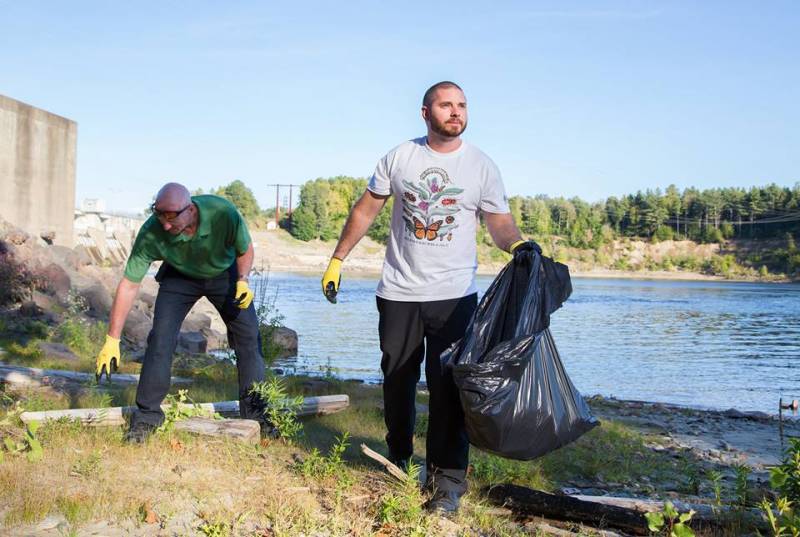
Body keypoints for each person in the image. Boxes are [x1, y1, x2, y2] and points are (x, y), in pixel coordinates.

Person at [321, 81, 535, 513]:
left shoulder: (481, 166)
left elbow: (499, 223)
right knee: (397, 380)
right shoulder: (400, 157)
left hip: (455, 297)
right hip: (398, 292)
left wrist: (518, 246)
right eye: (445, 105)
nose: (455, 112)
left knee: (448, 390)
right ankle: (399, 452)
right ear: (425, 113)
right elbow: (366, 209)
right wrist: (338, 258)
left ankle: (447, 481)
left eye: (461, 105)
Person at [94, 183, 267, 443]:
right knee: (160, 339)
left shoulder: (223, 212)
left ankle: (257, 418)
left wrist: (243, 280)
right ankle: (147, 418)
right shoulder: (152, 230)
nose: (164, 224)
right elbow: (130, 284)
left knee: (249, 338)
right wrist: (112, 339)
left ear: (191, 210)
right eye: (159, 215)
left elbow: (245, 248)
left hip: (225, 274)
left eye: (171, 217)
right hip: (179, 278)